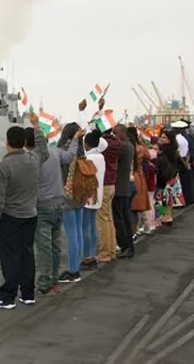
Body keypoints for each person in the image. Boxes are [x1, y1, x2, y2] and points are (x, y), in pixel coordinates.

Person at [0, 112, 49, 309]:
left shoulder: (5, 165)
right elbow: (44, 149)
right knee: (27, 254)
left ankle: (7, 297)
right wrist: (37, 126)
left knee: (10, 257)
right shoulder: (33, 159)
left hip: (10, 217)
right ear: (23, 142)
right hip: (30, 215)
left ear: (8, 143)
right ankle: (28, 293)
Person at [26, 121, 81, 293]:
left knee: (44, 248)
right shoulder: (56, 152)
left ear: (27, 144)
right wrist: (76, 139)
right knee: (56, 245)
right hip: (59, 203)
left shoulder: (33, 158)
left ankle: (45, 284)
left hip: (42, 206)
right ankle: (55, 281)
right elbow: (71, 155)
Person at [55, 122, 88, 284]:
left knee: (71, 233)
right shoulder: (81, 150)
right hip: (80, 193)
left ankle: (73, 270)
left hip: (67, 194)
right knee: (78, 231)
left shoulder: (64, 149)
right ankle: (77, 266)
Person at [81, 128, 107, 271]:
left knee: (85, 227)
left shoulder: (89, 159)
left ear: (87, 144)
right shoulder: (101, 157)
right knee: (92, 226)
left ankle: (87, 256)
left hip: (88, 196)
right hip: (98, 195)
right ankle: (92, 253)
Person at [98, 105, 122, 263]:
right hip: (112, 183)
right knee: (109, 218)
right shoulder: (116, 142)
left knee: (102, 220)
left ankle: (105, 253)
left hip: (104, 184)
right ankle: (112, 250)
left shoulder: (103, 144)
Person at [112, 124, 135, 259]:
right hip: (123, 186)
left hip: (119, 187)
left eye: (115, 133)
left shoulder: (123, 147)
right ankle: (127, 246)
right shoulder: (129, 145)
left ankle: (125, 245)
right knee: (124, 218)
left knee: (120, 219)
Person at [155, 129, 187, 224]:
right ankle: (167, 216)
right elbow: (182, 166)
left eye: (164, 137)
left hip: (165, 177)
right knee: (168, 199)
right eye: (161, 137)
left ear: (169, 140)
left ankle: (164, 216)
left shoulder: (164, 151)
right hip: (172, 177)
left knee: (160, 198)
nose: (161, 139)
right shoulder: (174, 151)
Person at [128, 127, 152, 236]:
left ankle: (133, 231)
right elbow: (148, 156)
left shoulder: (127, 147)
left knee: (130, 207)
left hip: (130, 176)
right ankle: (138, 229)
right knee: (137, 207)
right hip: (139, 177)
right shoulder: (140, 148)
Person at [171, 121, 191, 207]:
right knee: (183, 181)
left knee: (177, 182)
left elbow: (177, 153)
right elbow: (187, 152)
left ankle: (178, 201)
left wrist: (183, 163)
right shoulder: (185, 139)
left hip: (178, 161)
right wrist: (186, 163)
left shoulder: (176, 140)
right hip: (184, 159)